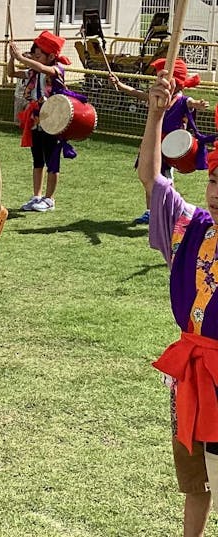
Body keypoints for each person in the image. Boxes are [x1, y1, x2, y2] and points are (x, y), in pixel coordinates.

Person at [139, 70, 218, 537]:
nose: (216, 191)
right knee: (194, 482)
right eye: (214, 179)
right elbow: (153, 181)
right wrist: (154, 116)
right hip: (190, 376)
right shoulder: (194, 229)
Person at [111, 58, 211, 225]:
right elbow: (136, 93)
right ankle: (151, 211)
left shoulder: (182, 100)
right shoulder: (157, 98)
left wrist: (198, 104)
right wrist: (119, 85)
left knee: (164, 181)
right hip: (154, 143)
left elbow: (192, 103)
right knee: (148, 177)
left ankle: (170, 212)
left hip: (170, 148)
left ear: (176, 83)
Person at [6, 31, 78, 213]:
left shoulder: (56, 70)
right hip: (37, 120)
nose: (35, 58)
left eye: (39, 55)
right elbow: (12, 73)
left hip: (54, 121)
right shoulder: (32, 72)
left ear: (52, 56)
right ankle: (36, 196)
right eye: (35, 55)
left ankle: (49, 199)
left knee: (52, 161)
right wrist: (12, 58)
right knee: (37, 160)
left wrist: (22, 57)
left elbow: (43, 68)